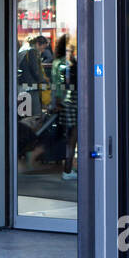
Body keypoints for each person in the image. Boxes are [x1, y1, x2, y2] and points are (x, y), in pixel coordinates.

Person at [50, 34, 78, 181]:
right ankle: (67, 169)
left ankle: (67, 168)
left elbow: (55, 85)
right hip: (71, 100)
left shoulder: (57, 62)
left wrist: (55, 103)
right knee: (73, 136)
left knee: (71, 136)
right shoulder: (66, 64)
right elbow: (61, 84)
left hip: (64, 101)